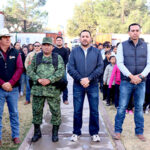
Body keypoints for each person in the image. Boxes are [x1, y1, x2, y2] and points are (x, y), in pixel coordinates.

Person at [114, 23, 150, 141]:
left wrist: (140, 76)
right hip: (126, 81)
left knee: (139, 108)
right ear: (129, 32)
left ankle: (139, 132)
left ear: (140, 32)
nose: (135, 32)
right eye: (132, 30)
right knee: (122, 107)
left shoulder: (146, 46)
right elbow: (119, 63)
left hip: (141, 82)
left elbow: (149, 64)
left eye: (137, 30)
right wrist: (130, 76)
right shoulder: (122, 46)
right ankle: (117, 131)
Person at [68, 30, 104, 142]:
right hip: (78, 85)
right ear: (80, 39)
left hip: (92, 85)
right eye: (83, 36)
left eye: (87, 36)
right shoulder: (74, 51)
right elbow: (70, 68)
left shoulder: (97, 52)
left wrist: (89, 78)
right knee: (77, 110)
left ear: (90, 38)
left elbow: (100, 67)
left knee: (94, 110)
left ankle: (94, 132)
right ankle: (76, 132)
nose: (85, 38)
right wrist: (80, 79)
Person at [27, 37, 65, 143]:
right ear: (42, 46)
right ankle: (37, 132)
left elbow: (61, 71)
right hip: (38, 90)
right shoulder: (36, 57)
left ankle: (55, 133)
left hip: (53, 90)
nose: (46, 47)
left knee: (56, 111)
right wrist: (38, 79)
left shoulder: (57, 58)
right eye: (44, 45)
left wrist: (49, 80)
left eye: (49, 45)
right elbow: (29, 70)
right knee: (36, 111)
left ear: (52, 47)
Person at [0, 28, 23, 145]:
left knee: (14, 113)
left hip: (13, 89)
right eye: (5, 37)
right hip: (0, 88)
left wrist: (11, 83)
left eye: (9, 37)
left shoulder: (16, 52)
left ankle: (16, 135)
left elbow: (20, 68)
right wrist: (2, 83)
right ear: (0, 39)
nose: (8, 39)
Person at [53, 37, 69, 105]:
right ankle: (55, 99)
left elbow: (66, 60)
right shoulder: (53, 50)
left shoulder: (65, 50)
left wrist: (61, 66)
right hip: (54, 70)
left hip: (63, 70)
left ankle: (65, 99)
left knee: (64, 83)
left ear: (62, 42)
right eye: (57, 40)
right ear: (56, 42)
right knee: (55, 84)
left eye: (60, 40)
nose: (59, 42)